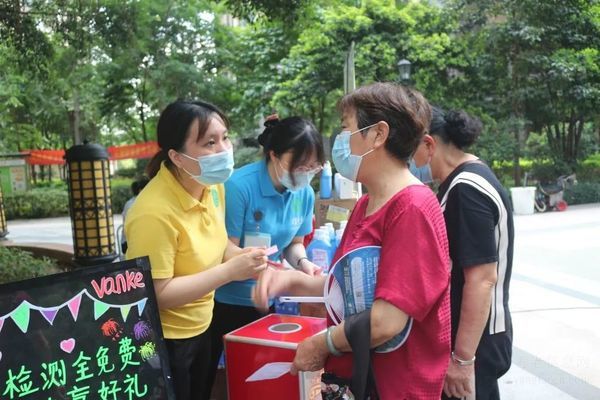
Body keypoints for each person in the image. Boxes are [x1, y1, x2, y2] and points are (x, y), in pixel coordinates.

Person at [253, 82, 452, 399]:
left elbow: (386, 322)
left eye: (346, 129)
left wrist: (322, 343)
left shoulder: (412, 208)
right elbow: (345, 286)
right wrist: (286, 281)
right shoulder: (366, 203)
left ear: (378, 134)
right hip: (360, 380)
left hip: (395, 386)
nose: (340, 141)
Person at [125, 100, 268, 400]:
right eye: (209, 142)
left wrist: (239, 256)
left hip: (203, 323)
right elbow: (157, 293)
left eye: (225, 138)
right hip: (166, 339)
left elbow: (218, 244)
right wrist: (228, 272)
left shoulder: (211, 187)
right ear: (176, 156)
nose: (224, 149)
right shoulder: (153, 212)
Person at [206, 114, 326, 395]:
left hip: (267, 299)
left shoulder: (304, 193)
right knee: (216, 378)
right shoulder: (239, 186)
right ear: (274, 155)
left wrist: (303, 263)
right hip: (224, 301)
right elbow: (225, 249)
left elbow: (294, 244)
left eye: (313, 167)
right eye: (300, 166)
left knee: (261, 379)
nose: (306, 173)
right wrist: (256, 264)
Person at [412, 107, 513, 400]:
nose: (409, 160)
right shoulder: (457, 182)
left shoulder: (467, 189)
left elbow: (481, 279)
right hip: (470, 338)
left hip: (475, 343)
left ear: (429, 144)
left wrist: (462, 359)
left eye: (411, 148)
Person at [120, 176, 149, 254]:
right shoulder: (134, 204)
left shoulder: (130, 202)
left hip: (129, 242)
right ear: (140, 190)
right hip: (130, 243)